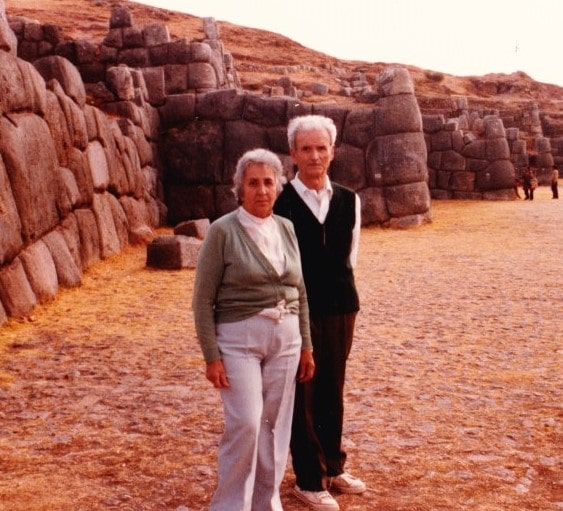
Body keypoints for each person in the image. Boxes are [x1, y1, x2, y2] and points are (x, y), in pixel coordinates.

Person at [192, 148, 315, 511]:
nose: (262, 190)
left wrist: (306, 344)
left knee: (274, 425)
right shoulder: (222, 231)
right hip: (238, 341)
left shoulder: (286, 228)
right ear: (240, 188)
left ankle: (267, 503)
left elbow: (300, 291)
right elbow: (202, 300)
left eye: (268, 182)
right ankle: (230, 505)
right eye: (253, 183)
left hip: (287, 339)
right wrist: (211, 356)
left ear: (278, 187)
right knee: (246, 422)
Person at [274, 115, 365, 511]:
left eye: (321, 148)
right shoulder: (279, 203)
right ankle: (309, 479)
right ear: (293, 153)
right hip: (298, 310)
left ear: (333, 152)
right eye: (306, 148)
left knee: (333, 387)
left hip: (341, 307)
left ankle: (333, 465)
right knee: (303, 393)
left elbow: (351, 256)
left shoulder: (349, 199)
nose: (314, 156)